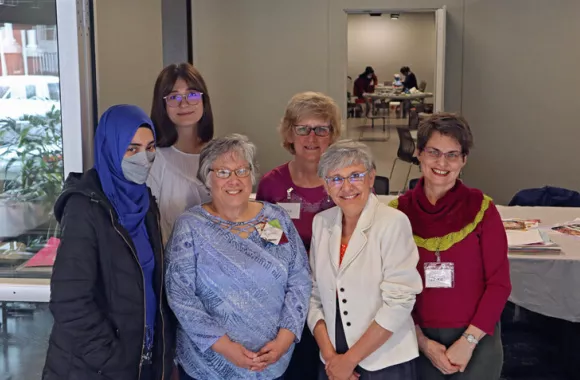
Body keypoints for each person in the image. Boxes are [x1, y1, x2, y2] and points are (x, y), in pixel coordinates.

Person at [42, 105, 175, 380]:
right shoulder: (84, 208)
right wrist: (113, 360)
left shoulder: (144, 202)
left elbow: (152, 285)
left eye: (150, 147)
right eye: (131, 149)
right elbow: (70, 302)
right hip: (96, 369)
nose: (144, 158)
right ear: (110, 150)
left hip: (143, 361)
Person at [165, 134, 312, 380]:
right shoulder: (191, 226)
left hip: (271, 362)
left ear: (252, 176)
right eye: (223, 172)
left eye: (242, 170)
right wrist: (225, 347)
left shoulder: (272, 220)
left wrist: (285, 339)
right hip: (208, 366)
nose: (234, 180)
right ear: (206, 178)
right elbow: (180, 296)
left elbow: (298, 278)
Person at [389, 113, 511, 380]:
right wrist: (422, 342)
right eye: (433, 152)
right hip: (413, 339)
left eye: (452, 154)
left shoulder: (482, 209)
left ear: (463, 160)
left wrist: (468, 342)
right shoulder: (397, 214)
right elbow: (389, 285)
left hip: (476, 342)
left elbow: (499, 284)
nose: (442, 162)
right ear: (418, 154)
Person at [309, 140, 423, 380]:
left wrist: (349, 361)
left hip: (384, 364)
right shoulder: (322, 222)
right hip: (332, 361)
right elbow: (313, 294)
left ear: (371, 178)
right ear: (326, 185)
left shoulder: (392, 222)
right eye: (336, 178)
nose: (346, 186)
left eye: (355, 175)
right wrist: (331, 358)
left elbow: (399, 302)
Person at [256, 91, 341, 380]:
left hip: (334, 296)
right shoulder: (273, 184)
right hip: (286, 296)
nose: (312, 137)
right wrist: (299, 262)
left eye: (321, 129)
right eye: (303, 128)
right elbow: (266, 236)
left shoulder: (344, 180)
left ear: (332, 135)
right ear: (290, 134)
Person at [148, 63, 214, 246]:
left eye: (192, 95)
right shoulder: (154, 159)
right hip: (171, 263)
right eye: (174, 97)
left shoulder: (222, 154)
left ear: (203, 101)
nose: (184, 103)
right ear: (162, 105)